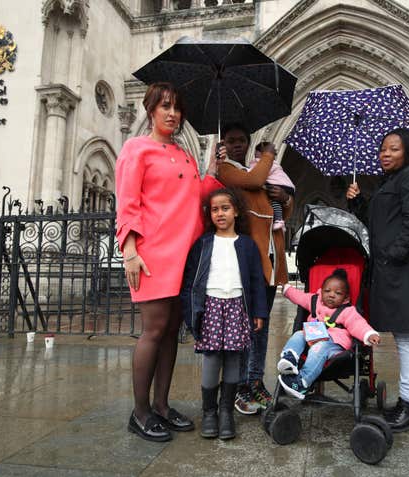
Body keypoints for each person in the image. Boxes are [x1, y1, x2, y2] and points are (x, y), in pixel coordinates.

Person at [116, 82, 222, 442]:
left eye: (177, 108)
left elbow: (196, 198)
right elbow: (127, 203)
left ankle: (161, 406)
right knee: (154, 330)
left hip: (186, 255)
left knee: (172, 332)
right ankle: (140, 412)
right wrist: (129, 250)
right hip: (153, 254)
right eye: (165, 106)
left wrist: (210, 168)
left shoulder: (185, 155)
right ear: (151, 110)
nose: (172, 114)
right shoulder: (137, 149)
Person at [346, 128, 409, 433]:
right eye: (383, 149)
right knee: (403, 334)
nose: (385, 154)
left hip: (404, 268)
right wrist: (358, 204)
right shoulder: (392, 182)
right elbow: (377, 223)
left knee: (407, 335)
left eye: (393, 149)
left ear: (407, 152)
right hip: (394, 268)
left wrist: (391, 256)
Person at [217, 123, 293, 414]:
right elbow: (254, 180)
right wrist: (270, 155)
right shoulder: (229, 171)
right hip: (249, 263)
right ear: (224, 144)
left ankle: (256, 381)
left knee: (261, 327)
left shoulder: (254, 170)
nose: (237, 145)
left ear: (248, 144)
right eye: (231, 141)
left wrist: (285, 198)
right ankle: (241, 386)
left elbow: (282, 206)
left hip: (272, 263)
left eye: (241, 140)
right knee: (247, 326)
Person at [181, 188, 268, 440]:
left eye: (225, 208)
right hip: (209, 306)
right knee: (211, 358)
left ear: (236, 211)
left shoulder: (247, 245)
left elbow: (256, 281)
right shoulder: (204, 243)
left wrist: (259, 311)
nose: (220, 213)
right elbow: (190, 282)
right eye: (215, 209)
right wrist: (190, 313)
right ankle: (209, 412)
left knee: (233, 358)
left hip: (237, 306)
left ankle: (226, 411)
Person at [277, 269, 381, 399]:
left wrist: (369, 334)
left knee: (319, 347)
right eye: (327, 291)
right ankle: (290, 358)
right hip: (311, 338)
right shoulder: (314, 301)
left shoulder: (348, 311)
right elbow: (299, 297)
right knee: (299, 334)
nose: (331, 295)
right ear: (321, 291)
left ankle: (302, 382)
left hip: (333, 344)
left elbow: (358, 324)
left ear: (346, 297)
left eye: (338, 293)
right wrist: (286, 289)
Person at [250, 141, 295, 232]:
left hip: (279, 185)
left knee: (272, 198)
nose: (255, 154)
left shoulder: (263, 162)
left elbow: (254, 175)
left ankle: (278, 220)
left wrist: (246, 172)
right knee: (274, 200)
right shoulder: (274, 163)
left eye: (257, 151)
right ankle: (279, 220)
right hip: (287, 186)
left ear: (263, 152)